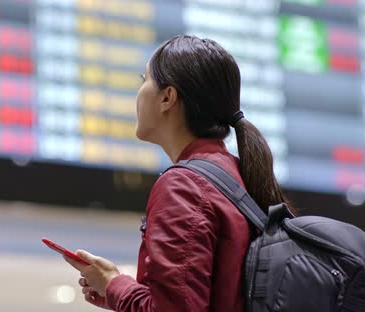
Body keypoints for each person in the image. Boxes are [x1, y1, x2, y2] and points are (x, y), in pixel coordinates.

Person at [63, 35, 293, 311]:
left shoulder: (183, 186)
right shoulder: (235, 174)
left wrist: (115, 284)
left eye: (143, 79)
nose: (138, 92)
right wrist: (121, 294)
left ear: (167, 98)